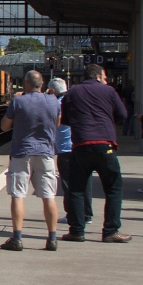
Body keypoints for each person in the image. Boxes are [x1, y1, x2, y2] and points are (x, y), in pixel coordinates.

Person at [61, 64, 131, 243]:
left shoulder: (71, 93)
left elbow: (66, 119)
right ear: (99, 76)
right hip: (105, 145)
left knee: (76, 189)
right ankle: (110, 231)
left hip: (80, 145)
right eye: (105, 77)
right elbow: (123, 114)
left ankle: (76, 231)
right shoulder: (108, 91)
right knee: (114, 188)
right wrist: (107, 122)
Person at [0, 70, 61, 252]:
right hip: (46, 153)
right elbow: (57, 123)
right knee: (48, 196)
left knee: (18, 195)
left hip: (22, 153)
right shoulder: (53, 101)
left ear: (26, 84)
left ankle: (17, 238)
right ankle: (52, 239)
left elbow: (4, 127)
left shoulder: (18, 101)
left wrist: (14, 106)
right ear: (41, 84)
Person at [49, 78, 92, 225]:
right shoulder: (76, 100)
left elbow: (53, 124)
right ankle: (87, 214)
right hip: (81, 145)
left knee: (68, 184)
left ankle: (71, 214)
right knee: (85, 181)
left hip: (66, 149)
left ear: (53, 91)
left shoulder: (58, 103)